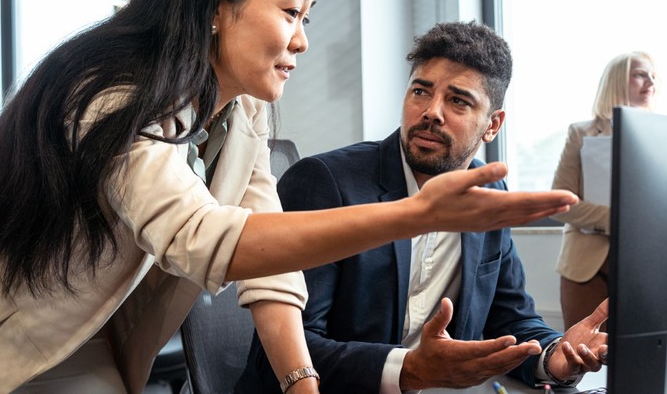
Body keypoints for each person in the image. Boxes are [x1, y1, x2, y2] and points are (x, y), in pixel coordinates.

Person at [0, 0, 579, 394]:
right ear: (219, 6)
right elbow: (208, 242)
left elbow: (270, 269)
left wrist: (300, 383)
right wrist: (415, 215)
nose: (301, 40)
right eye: (290, 12)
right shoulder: (113, 90)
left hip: (70, 319)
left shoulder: (242, 106)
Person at [235, 21, 607, 394]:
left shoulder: (490, 196)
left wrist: (554, 356)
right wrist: (407, 370)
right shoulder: (326, 183)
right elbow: (284, 354)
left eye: (458, 100)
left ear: (493, 125)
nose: (432, 112)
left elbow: (511, 321)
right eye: (420, 91)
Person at [550, 52, 657, 329]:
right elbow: (561, 201)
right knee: (582, 357)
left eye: (653, 77)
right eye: (641, 74)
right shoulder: (580, 133)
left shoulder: (661, 136)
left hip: (644, 264)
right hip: (586, 267)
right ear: (617, 80)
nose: (650, 82)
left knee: (641, 358)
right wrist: (616, 220)